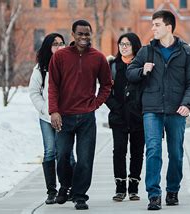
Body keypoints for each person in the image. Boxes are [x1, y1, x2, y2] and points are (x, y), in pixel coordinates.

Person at [127, 10, 190, 210]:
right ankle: (154, 194)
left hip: (177, 110)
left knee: (176, 153)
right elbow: (130, 72)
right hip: (151, 108)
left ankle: (173, 190)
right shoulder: (146, 51)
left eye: (157, 25)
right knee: (153, 150)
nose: (153, 29)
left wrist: (187, 104)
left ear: (169, 27)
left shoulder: (187, 52)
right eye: (152, 25)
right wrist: (143, 70)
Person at [48, 19, 112, 210]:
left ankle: (80, 195)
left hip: (86, 117)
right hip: (64, 116)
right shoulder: (60, 57)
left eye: (87, 34)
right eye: (80, 34)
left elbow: (107, 85)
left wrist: (96, 103)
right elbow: (53, 86)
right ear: (73, 35)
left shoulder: (98, 57)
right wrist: (54, 111)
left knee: (85, 159)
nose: (84, 37)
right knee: (63, 156)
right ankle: (66, 186)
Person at [105, 32, 145, 202]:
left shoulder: (143, 66)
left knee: (137, 152)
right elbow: (106, 90)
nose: (124, 47)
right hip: (119, 116)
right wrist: (115, 107)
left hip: (139, 117)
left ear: (135, 46)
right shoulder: (113, 66)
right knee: (119, 151)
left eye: (127, 44)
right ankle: (120, 187)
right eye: (121, 44)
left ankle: (134, 187)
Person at [28, 33, 66, 205]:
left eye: (61, 43)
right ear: (48, 47)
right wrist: (47, 111)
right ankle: (51, 191)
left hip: (66, 117)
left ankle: (67, 188)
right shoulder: (40, 69)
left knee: (66, 153)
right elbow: (34, 93)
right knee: (50, 151)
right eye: (55, 44)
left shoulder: (68, 65)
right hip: (46, 118)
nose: (59, 47)